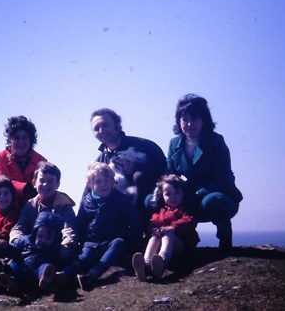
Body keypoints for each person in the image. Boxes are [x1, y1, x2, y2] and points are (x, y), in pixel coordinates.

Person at [165, 94, 243, 252]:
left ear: (203, 120)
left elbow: (223, 179)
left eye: (194, 119)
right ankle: (176, 244)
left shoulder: (216, 141)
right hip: (188, 198)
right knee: (152, 200)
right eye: (184, 119)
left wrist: (196, 193)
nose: (189, 124)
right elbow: (170, 174)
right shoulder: (174, 143)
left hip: (219, 197)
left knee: (212, 200)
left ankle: (225, 244)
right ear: (178, 121)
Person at [88, 108, 166, 225]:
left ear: (117, 125)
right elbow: (89, 190)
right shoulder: (100, 160)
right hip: (116, 214)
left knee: (139, 177)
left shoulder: (144, 146)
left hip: (150, 207)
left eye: (105, 125)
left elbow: (164, 170)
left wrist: (137, 167)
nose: (101, 130)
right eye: (96, 128)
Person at [75, 163, 142, 291]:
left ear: (113, 182)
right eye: (98, 181)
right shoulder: (86, 201)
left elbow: (134, 221)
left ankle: (92, 275)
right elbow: (80, 222)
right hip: (91, 242)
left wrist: (133, 243)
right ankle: (63, 276)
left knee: (119, 243)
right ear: (90, 184)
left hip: (112, 241)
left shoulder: (120, 199)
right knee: (83, 258)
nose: (103, 185)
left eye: (107, 181)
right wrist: (80, 242)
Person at [132, 174, 199, 281]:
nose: (173, 197)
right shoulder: (162, 210)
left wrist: (172, 228)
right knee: (154, 237)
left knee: (168, 236)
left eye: (177, 193)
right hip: (163, 244)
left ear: (183, 193)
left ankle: (161, 263)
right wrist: (154, 229)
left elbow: (189, 221)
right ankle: (146, 265)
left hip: (182, 245)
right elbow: (153, 221)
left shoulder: (185, 210)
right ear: (162, 195)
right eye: (168, 194)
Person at [9, 161, 78, 263]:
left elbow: (69, 229)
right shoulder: (30, 205)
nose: (46, 184)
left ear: (58, 184)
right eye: (42, 180)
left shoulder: (64, 205)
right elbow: (20, 227)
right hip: (34, 246)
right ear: (34, 183)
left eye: (50, 181)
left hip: (56, 247)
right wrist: (17, 240)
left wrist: (66, 244)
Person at [0, 211, 69, 293]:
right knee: (13, 265)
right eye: (40, 236)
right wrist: (6, 248)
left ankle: (45, 278)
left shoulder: (55, 248)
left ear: (55, 239)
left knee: (46, 267)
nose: (43, 240)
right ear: (35, 232)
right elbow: (14, 251)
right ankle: (10, 281)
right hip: (22, 268)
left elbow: (63, 260)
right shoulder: (25, 240)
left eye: (49, 238)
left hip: (37, 273)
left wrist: (66, 257)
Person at [0, 115, 47, 207]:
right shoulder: (1, 157)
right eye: (16, 137)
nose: (21, 141)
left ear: (31, 140)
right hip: (6, 210)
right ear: (10, 140)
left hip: (31, 209)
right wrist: (25, 187)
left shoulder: (41, 161)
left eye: (24, 137)